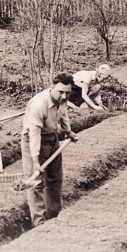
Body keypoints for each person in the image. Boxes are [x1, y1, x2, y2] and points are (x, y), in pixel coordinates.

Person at [22, 73, 79, 227]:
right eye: (60, 92)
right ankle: (39, 222)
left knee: (55, 177)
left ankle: (55, 214)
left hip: (52, 137)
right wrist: (35, 161)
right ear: (52, 87)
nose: (64, 96)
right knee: (36, 182)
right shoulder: (39, 105)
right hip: (34, 139)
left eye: (67, 92)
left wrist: (68, 131)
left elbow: (63, 114)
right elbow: (34, 134)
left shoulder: (63, 100)